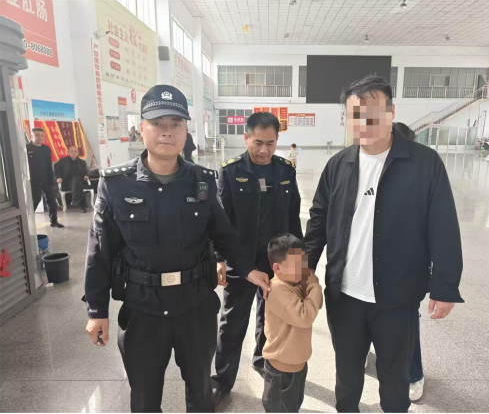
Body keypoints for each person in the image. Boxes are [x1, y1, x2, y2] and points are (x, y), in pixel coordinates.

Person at [83, 85, 271, 414]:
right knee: (144, 397)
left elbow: (224, 234)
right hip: (142, 309)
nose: (167, 131)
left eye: (176, 124)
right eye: (157, 123)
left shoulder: (202, 181)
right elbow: (99, 250)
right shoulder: (116, 184)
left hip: (195, 306)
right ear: (141, 127)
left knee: (201, 392)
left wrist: (250, 269)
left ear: (186, 132)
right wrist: (97, 310)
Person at [304, 75, 464, 414]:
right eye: (355, 115)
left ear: (390, 112)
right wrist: (302, 270)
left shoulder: (424, 163)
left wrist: (445, 286)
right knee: (347, 377)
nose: (364, 122)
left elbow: (443, 226)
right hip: (344, 296)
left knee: (394, 381)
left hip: (397, 298)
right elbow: (318, 220)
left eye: (373, 113)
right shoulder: (338, 165)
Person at [212, 112, 303, 403]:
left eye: (271, 143)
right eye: (258, 142)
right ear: (246, 138)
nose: (264, 150)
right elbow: (220, 222)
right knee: (232, 322)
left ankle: (263, 362)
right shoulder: (230, 172)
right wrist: (219, 259)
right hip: (241, 262)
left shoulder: (285, 171)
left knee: (271, 317)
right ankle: (222, 380)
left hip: (276, 263)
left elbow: (293, 216)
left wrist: (297, 259)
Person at [366, 120, 426, 402]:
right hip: (365, 269)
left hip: (403, 273)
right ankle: (364, 354)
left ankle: (414, 374)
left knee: (405, 328)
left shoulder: (421, 179)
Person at [262, 234, 323, 414]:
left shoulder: (295, 282)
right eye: (296, 265)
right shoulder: (278, 290)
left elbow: (317, 304)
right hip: (281, 369)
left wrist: (310, 286)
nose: (302, 269)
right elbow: (305, 316)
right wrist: (314, 285)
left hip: (296, 364)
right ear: (277, 267)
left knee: (292, 406)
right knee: (281, 408)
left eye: (304, 263)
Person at [27, 128, 64, 228]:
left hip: (47, 179)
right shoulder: (27, 148)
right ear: (32, 136)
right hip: (34, 180)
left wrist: (52, 179)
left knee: (52, 201)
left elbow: (49, 165)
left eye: (42, 136)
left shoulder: (46, 149)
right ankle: (27, 223)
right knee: (35, 200)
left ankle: (54, 221)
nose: (40, 137)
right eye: (37, 135)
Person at [55, 146, 90, 213]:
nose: (73, 153)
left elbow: (86, 171)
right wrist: (58, 177)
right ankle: (82, 206)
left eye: (75, 151)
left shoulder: (82, 162)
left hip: (80, 180)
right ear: (68, 152)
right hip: (67, 181)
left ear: (77, 153)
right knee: (77, 182)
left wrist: (86, 175)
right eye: (71, 151)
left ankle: (76, 200)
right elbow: (57, 170)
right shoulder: (62, 161)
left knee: (77, 180)